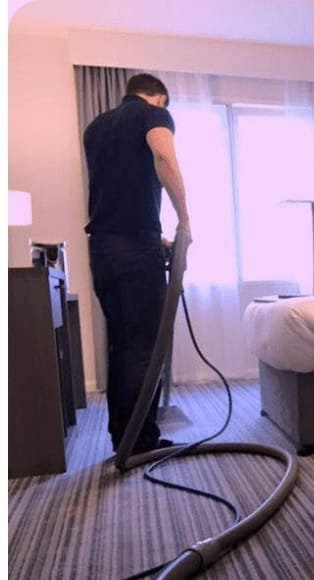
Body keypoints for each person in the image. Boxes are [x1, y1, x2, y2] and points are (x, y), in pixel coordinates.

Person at [83, 73, 190, 455]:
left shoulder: (96, 127)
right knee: (144, 347)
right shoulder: (154, 115)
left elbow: (117, 190)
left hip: (103, 248)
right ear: (159, 97)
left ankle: (124, 440)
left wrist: (152, 236)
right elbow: (163, 156)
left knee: (121, 345)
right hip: (135, 248)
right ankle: (141, 442)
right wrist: (184, 220)